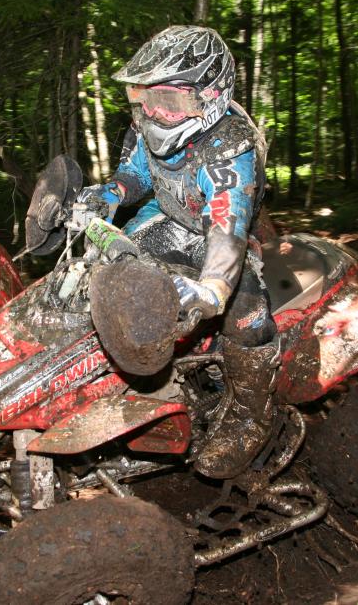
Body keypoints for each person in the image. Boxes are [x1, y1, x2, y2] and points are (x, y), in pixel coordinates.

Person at [82, 25, 277, 479]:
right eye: (142, 97)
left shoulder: (230, 146)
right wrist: (108, 194)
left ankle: (252, 414)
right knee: (111, 262)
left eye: (168, 102)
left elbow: (227, 227)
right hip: (170, 213)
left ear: (208, 96)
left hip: (223, 229)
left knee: (245, 303)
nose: (152, 111)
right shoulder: (147, 123)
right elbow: (138, 172)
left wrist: (212, 288)